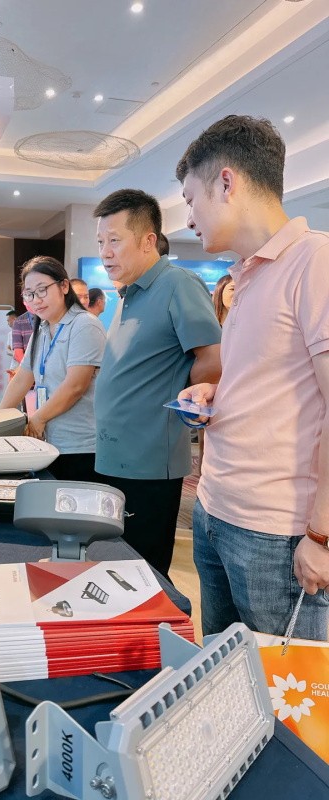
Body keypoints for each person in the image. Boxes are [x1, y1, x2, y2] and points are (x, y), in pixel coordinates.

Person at [176, 114, 329, 639]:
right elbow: (275, 379)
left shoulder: (316, 262)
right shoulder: (245, 275)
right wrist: (216, 392)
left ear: (226, 182)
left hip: (276, 532)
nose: (189, 219)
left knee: (282, 686)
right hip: (215, 509)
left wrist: (322, 535)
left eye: (191, 200)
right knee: (225, 671)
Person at [93, 189, 222, 578]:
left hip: (149, 462)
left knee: (144, 575)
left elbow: (211, 358)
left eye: (115, 240)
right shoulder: (128, 293)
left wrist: (190, 405)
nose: (105, 253)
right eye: (100, 242)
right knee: (117, 568)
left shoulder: (177, 284)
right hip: (115, 456)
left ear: (148, 240)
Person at [0, 257, 106, 481]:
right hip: (50, 443)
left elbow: (75, 386)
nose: (36, 300)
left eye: (42, 290)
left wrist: (38, 418)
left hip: (80, 446)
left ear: (64, 286)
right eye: (29, 294)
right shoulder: (42, 328)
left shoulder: (84, 325)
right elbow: (23, 377)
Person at [11, 301, 35, 366]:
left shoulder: (48, 318)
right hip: (27, 365)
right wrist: (28, 367)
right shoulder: (19, 321)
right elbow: (18, 352)